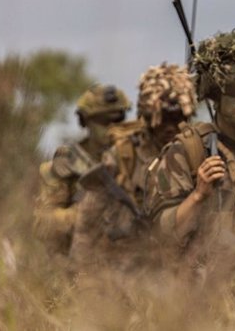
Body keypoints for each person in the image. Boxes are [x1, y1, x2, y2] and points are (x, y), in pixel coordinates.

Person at [148, 30, 235, 280]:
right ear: (215, 96)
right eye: (233, 88)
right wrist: (198, 195)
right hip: (203, 289)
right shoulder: (188, 150)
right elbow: (161, 234)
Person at [69, 63, 197, 270]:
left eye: (178, 118)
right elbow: (87, 224)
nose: (170, 127)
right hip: (128, 265)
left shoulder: (196, 152)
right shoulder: (124, 155)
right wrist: (82, 280)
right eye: (163, 118)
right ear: (147, 116)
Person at [33, 84, 130, 256]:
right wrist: (82, 214)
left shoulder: (133, 160)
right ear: (86, 122)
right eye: (103, 122)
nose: (112, 129)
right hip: (75, 266)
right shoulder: (65, 165)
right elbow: (42, 225)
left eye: (118, 121)